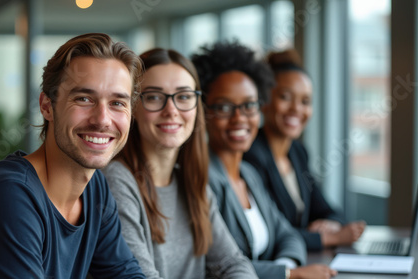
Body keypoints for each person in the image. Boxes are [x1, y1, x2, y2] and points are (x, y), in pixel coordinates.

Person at [0, 33, 145, 279]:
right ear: (46, 106)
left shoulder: (95, 188)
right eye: (84, 99)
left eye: (117, 103)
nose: (103, 119)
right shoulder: (8, 195)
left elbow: (124, 273)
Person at [102, 48, 258, 279]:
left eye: (184, 96)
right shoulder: (116, 180)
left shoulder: (192, 182)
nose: (171, 110)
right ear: (133, 106)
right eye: (154, 96)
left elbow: (232, 264)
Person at [192, 41, 337, 279]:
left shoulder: (248, 175)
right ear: (204, 112)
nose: (239, 118)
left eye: (249, 105)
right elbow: (214, 266)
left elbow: (287, 235)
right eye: (225, 107)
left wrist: (286, 264)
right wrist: (288, 274)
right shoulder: (201, 179)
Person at [242, 49, 366, 251]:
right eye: (285, 97)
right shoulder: (251, 156)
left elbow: (327, 209)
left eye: (305, 101)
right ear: (263, 102)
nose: (297, 109)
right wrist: (328, 239)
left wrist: (330, 224)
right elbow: (267, 231)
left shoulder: (297, 152)